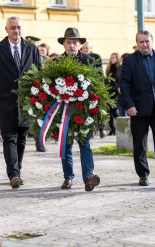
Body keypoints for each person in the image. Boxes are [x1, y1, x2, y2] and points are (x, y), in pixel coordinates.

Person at [0, 16, 42, 189]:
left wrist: (39, 98)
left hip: (26, 101)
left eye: (19, 27)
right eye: (13, 28)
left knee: (22, 138)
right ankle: (14, 174)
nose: (16, 31)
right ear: (6, 29)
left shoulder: (32, 48)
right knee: (9, 137)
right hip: (4, 101)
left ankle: (17, 170)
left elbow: (39, 73)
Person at [120, 29, 155, 187]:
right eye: (141, 42)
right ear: (137, 43)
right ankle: (143, 175)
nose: (144, 45)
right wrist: (129, 105)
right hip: (138, 109)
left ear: (152, 41)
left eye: (147, 41)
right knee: (140, 143)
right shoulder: (130, 60)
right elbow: (124, 84)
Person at [57, 27, 101, 192]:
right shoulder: (57, 62)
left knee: (85, 144)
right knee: (66, 145)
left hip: (84, 110)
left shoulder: (89, 61)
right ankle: (68, 177)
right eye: (68, 42)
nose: (72, 45)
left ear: (79, 44)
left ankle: (89, 177)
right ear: (64, 44)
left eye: (75, 42)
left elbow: (98, 85)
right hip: (63, 111)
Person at [80, 40, 106, 138]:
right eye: (83, 48)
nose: (85, 50)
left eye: (87, 48)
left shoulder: (96, 57)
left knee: (97, 109)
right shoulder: (79, 56)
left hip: (94, 85)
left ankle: (101, 129)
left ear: (91, 48)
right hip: (82, 87)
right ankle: (88, 131)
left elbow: (99, 72)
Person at [105, 52, 121, 135]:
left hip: (115, 92)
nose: (112, 59)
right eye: (111, 58)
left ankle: (120, 128)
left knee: (115, 111)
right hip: (108, 92)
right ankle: (112, 129)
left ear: (117, 59)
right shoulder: (109, 68)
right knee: (108, 112)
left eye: (114, 58)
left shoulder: (119, 68)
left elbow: (117, 81)